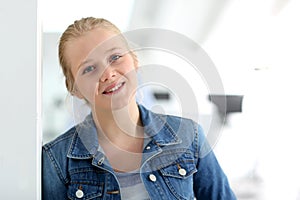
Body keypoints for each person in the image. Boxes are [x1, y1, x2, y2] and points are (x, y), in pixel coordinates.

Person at [42, 17, 236, 200]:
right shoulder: (55, 160)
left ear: (134, 60)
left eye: (115, 57)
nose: (108, 74)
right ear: (74, 88)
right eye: (89, 68)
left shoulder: (189, 135)